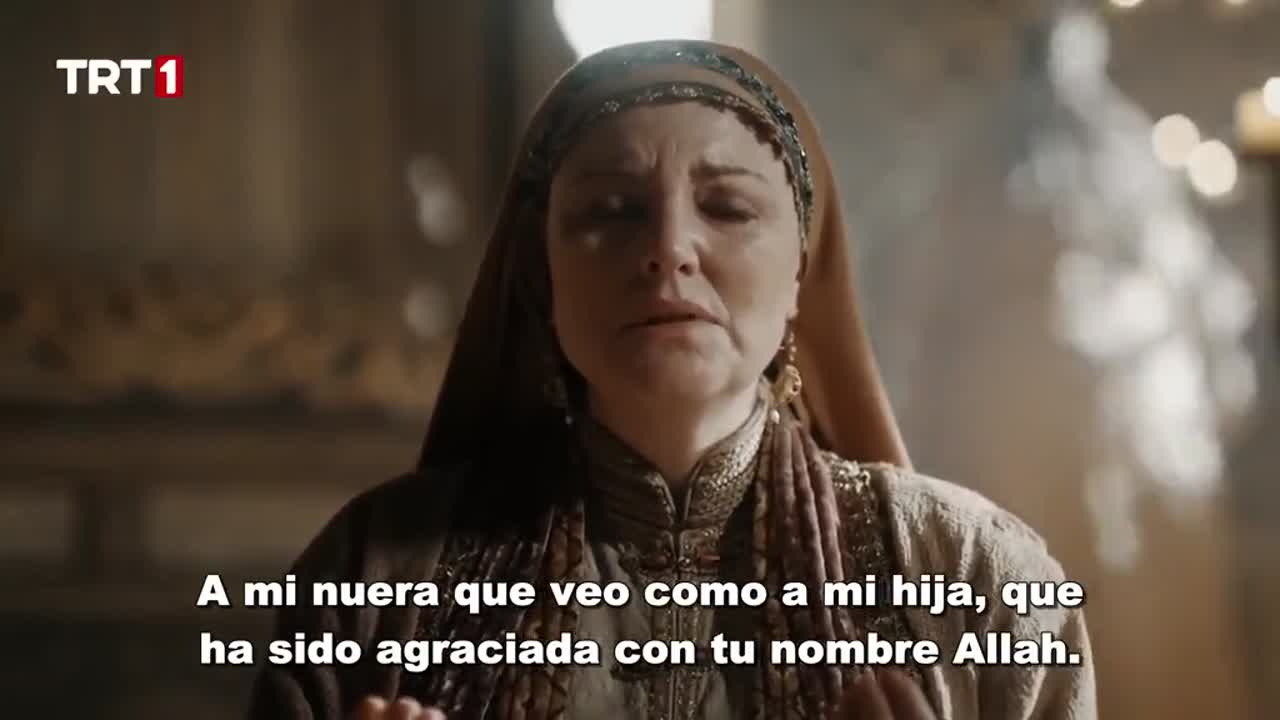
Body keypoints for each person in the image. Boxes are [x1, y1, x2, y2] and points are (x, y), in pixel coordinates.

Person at [246, 40, 1096, 720]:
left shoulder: (980, 578)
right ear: (540, 275)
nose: (668, 248)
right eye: (611, 211)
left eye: (727, 207)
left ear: (800, 273)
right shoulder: (374, 574)